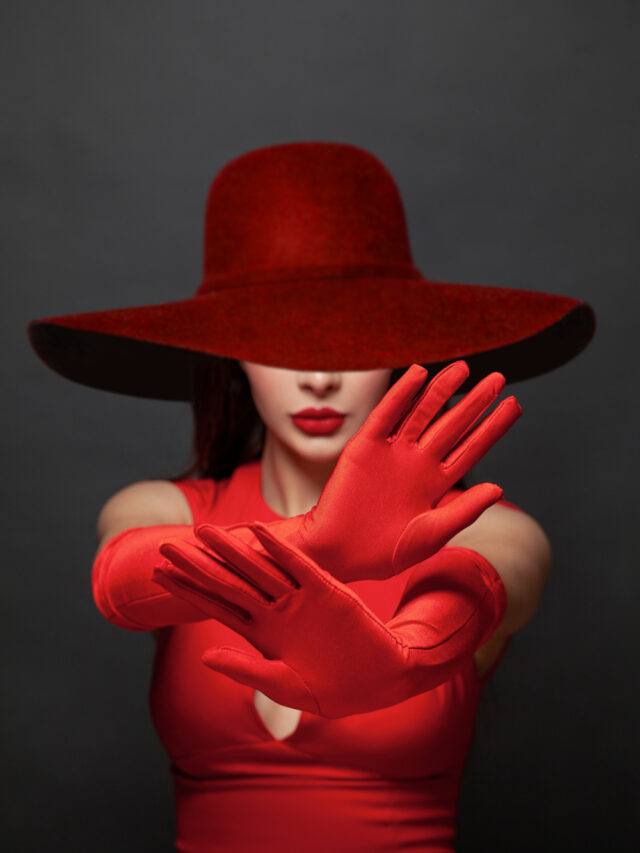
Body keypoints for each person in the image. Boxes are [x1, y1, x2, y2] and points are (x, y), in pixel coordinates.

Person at [27, 141, 595, 852]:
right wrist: (318, 544)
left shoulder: (489, 529)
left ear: (404, 346)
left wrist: (395, 660)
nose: (318, 376)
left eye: (352, 338)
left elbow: (477, 591)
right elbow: (121, 581)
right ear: (228, 352)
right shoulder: (165, 507)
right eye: (278, 338)